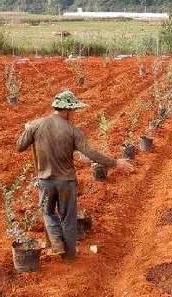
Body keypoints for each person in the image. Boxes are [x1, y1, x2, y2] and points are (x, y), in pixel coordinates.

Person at [16, 91, 133, 260]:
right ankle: (69, 255)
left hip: (45, 181)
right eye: (74, 111)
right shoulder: (73, 131)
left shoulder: (36, 125)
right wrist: (115, 163)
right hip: (66, 182)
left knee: (48, 213)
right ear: (67, 111)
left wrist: (27, 130)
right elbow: (91, 153)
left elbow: (19, 146)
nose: (75, 114)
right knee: (68, 218)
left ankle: (55, 241)